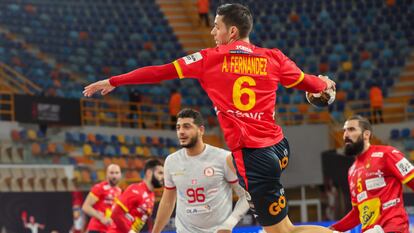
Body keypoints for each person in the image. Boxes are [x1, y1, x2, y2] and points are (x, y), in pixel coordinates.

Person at [83, 3, 336, 233]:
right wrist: (324, 84)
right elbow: (312, 83)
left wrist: (114, 81)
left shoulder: (208, 59)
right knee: (285, 226)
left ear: (232, 32)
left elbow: (159, 72)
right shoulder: (273, 57)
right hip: (278, 147)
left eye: (217, 27)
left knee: (283, 232)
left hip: (253, 156)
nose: (213, 32)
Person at [152, 108, 249, 233]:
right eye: (178, 127)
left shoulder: (223, 158)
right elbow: (167, 202)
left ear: (201, 130)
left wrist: (228, 224)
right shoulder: (171, 161)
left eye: (187, 127)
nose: (181, 132)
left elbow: (245, 196)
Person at [330, 115, 414, 233]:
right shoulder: (351, 171)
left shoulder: (387, 154)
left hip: (393, 228)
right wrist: (333, 229)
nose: (345, 135)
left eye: (351, 129)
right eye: (344, 131)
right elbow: (357, 213)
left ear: (366, 134)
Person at [108, 159, 164, 233]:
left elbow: (145, 220)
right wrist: (130, 231)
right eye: (160, 173)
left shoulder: (151, 195)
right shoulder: (135, 189)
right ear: (149, 173)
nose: (163, 177)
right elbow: (115, 214)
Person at [82, 164, 122, 233]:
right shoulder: (99, 188)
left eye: (117, 173)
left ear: (120, 175)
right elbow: (85, 207)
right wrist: (101, 218)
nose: (114, 176)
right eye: (111, 173)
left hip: (110, 230)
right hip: (97, 229)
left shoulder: (119, 191)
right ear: (106, 174)